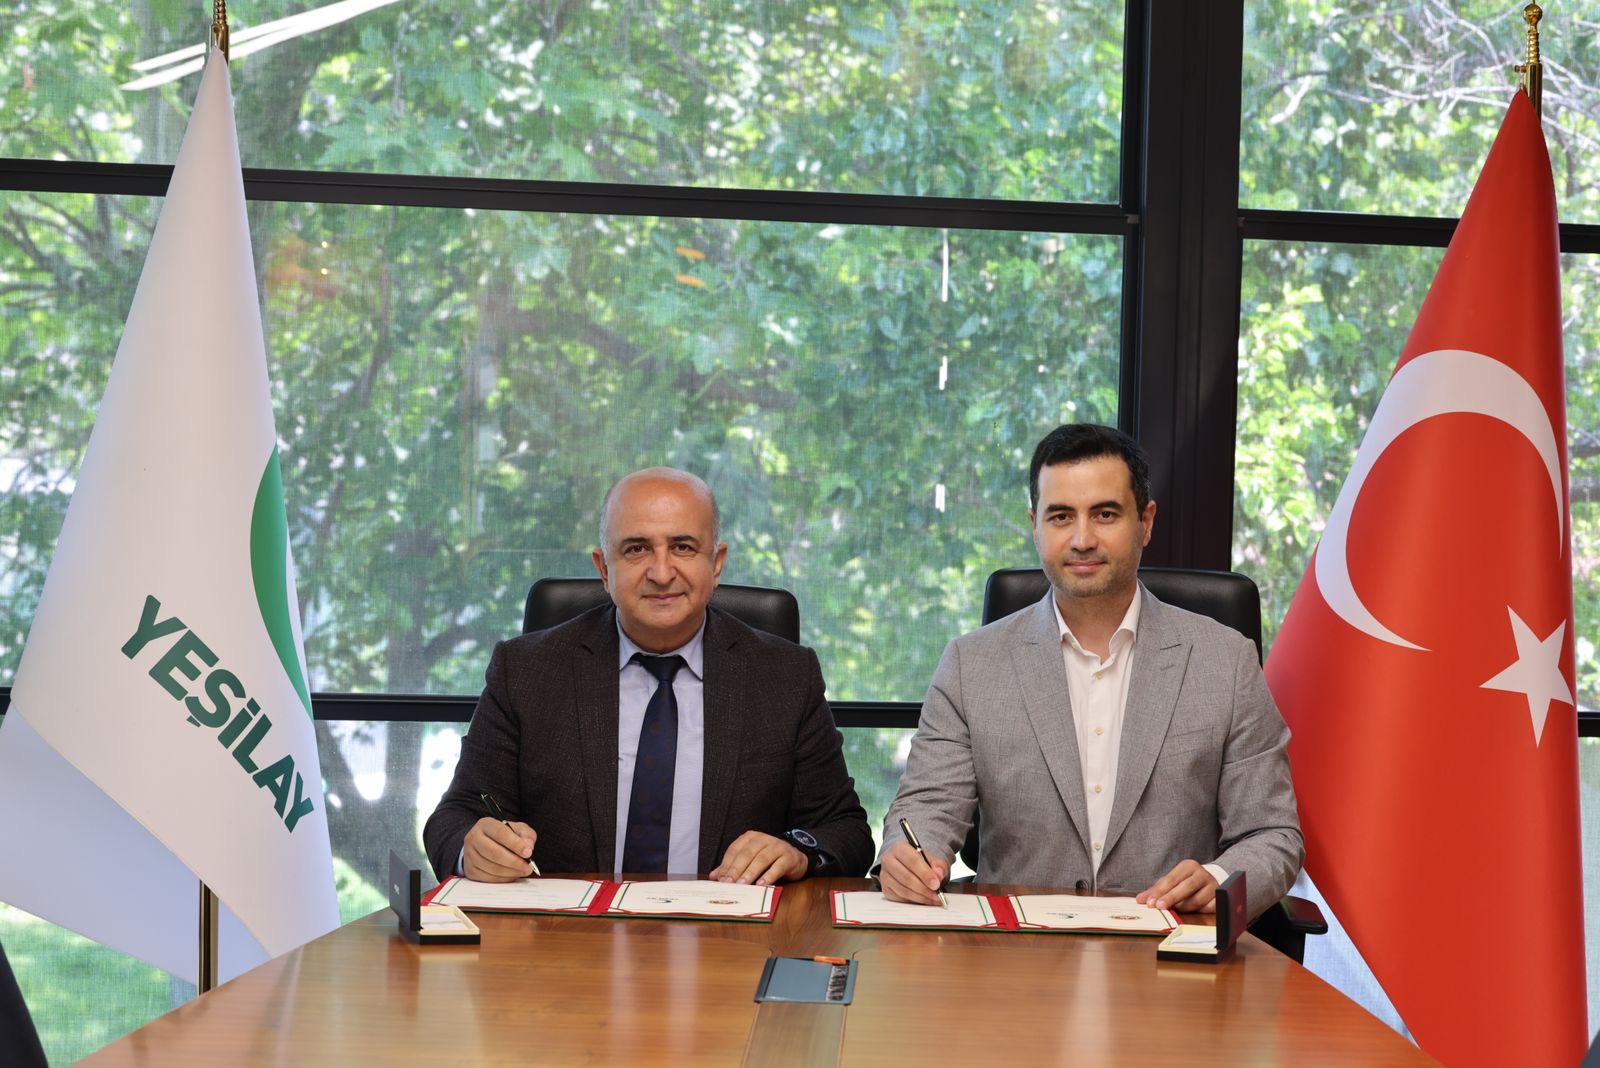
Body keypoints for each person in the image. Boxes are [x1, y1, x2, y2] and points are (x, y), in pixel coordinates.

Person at [879, 424, 1302, 919]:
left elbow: (1272, 834)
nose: (1082, 540)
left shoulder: (1225, 662)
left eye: (1105, 514)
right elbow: (926, 809)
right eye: (1061, 517)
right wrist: (908, 858)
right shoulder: (970, 665)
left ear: (1145, 522)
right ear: (1035, 525)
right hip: (1018, 949)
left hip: (1169, 941)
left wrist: (1219, 878)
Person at [424, 466, 873, 885]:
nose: (661, 573)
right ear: (604, 569)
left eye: (683, 547)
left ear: (716, 563)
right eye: (637, 549)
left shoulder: (785, 676)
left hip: (728, 932)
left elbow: (845, 830)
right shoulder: (526, 670)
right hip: (569, 932)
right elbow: (455, 817)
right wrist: (472, 849)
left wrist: (797, 851)